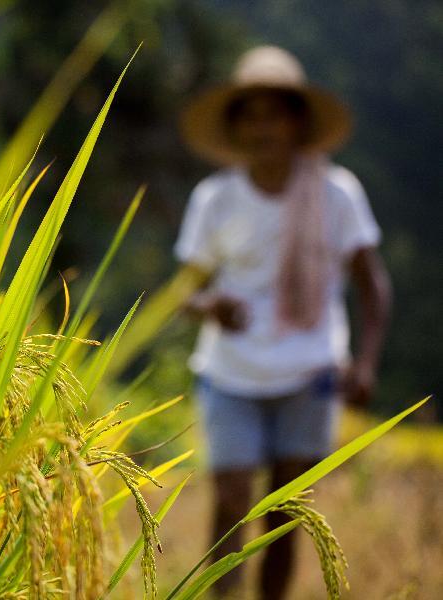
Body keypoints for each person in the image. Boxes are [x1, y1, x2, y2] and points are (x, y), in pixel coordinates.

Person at [175, 46, 391, 598]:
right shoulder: (215, 199)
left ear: (297, 121)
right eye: (248, 115)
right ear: (234, 127)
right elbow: (187, 292)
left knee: (287, 511)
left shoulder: (337, 194)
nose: (260, 127)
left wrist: (365, 362)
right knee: (231, 499)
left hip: (309, 375)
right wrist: (211, 306)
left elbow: (373, 285)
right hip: (230, 374)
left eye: (272, 113)